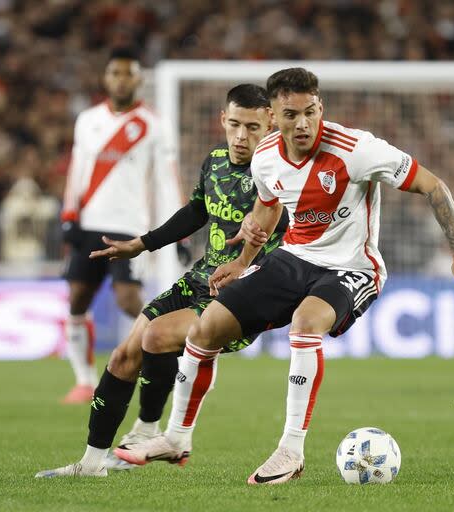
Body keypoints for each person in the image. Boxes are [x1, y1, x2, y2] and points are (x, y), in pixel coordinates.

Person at [114, 68, 454, 484]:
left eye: (310, 112)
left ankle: (290, 450)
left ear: (320, 107)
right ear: (274, 115)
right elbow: (268, 208)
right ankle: (177, 438)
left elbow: (433, 185)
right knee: (206, 327)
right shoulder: (266, 156)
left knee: (306, 324)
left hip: (352, 267)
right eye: (291, 115)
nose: (303, 123)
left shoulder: (356, 149)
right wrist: (242, 261)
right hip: (294, 259)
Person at [36, 84, 286, 477]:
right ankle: (91, 464)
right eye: (234, 124)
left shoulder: (281, 171)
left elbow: (286, 222)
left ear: (270, 122)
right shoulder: (216, 161)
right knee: (123, 357)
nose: (241, 136)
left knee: (158, 337)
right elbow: (194, 213)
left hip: (243, 290)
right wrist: (141, 244)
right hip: (201, 278)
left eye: (252, 127)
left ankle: (155, 428)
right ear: (222, 120)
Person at [58, 47, 182, 404]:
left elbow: (165, 180)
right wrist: (69, 216)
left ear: (139, 80)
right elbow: (76, 171)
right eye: (115, 73)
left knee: (129, 299)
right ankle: (84, 380)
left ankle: (162, 358)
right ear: (106, 78)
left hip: (132, 229)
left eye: (128, 73)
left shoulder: (154, 124)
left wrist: (176, 228)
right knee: (77, 298)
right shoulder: (88, 120)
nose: (121, 79)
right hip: (88, 225)